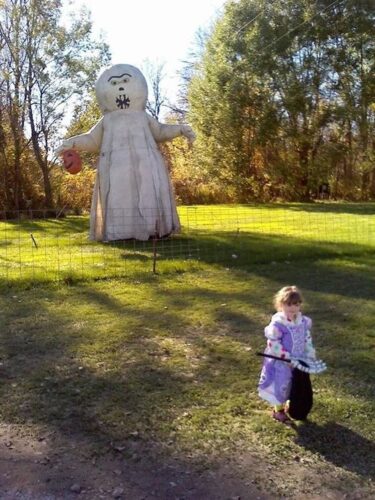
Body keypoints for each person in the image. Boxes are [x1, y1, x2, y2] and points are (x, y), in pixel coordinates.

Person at [258, 286, 316, 423]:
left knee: (295, 383)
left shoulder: (303, 321)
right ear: (281, 304)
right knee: (280, 384)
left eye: (296, 304)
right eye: (288, 304)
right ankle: (278, 410)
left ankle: (292, 403)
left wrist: (309, 352)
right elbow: (273, 343)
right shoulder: (278, 324)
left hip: (299, 360)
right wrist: (286, 358)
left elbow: (306, 338)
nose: (293, 308)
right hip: (281, 362)